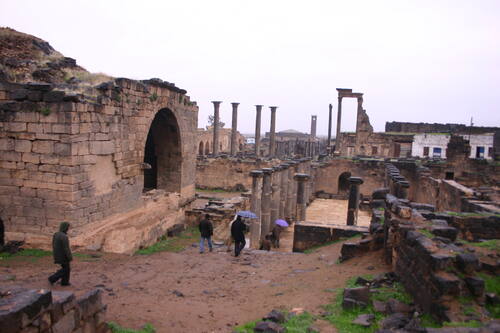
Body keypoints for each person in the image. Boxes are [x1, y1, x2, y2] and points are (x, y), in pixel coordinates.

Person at [48, 222, 73, 286]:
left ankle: (64, 282)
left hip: (57, 254)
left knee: (66, 268)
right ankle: (52, 278)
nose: (68, 229)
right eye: (68, 227)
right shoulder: (64, 237)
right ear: (65, 228)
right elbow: (66, 249)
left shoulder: (56, 234)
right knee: (66, 269)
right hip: (63, 256)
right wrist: (70, 257)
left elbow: (53, 244)